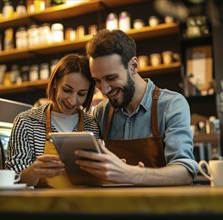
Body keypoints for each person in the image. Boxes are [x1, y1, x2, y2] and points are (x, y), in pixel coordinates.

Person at [74, 29, 199, 186]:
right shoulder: (101, 112)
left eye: (111, 78)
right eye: (97, 81)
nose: (104, 90)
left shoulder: (171, 105)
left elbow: (185, 171)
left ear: (133, 66)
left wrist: (132, 174)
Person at [5, 53, 101, 187]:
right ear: (55, 83)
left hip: (82, 203)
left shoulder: (91, 125)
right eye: (67, 90)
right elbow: (13, 177)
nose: (72, 101)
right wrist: (34, 171)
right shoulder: (26, 122)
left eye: (81, 94)